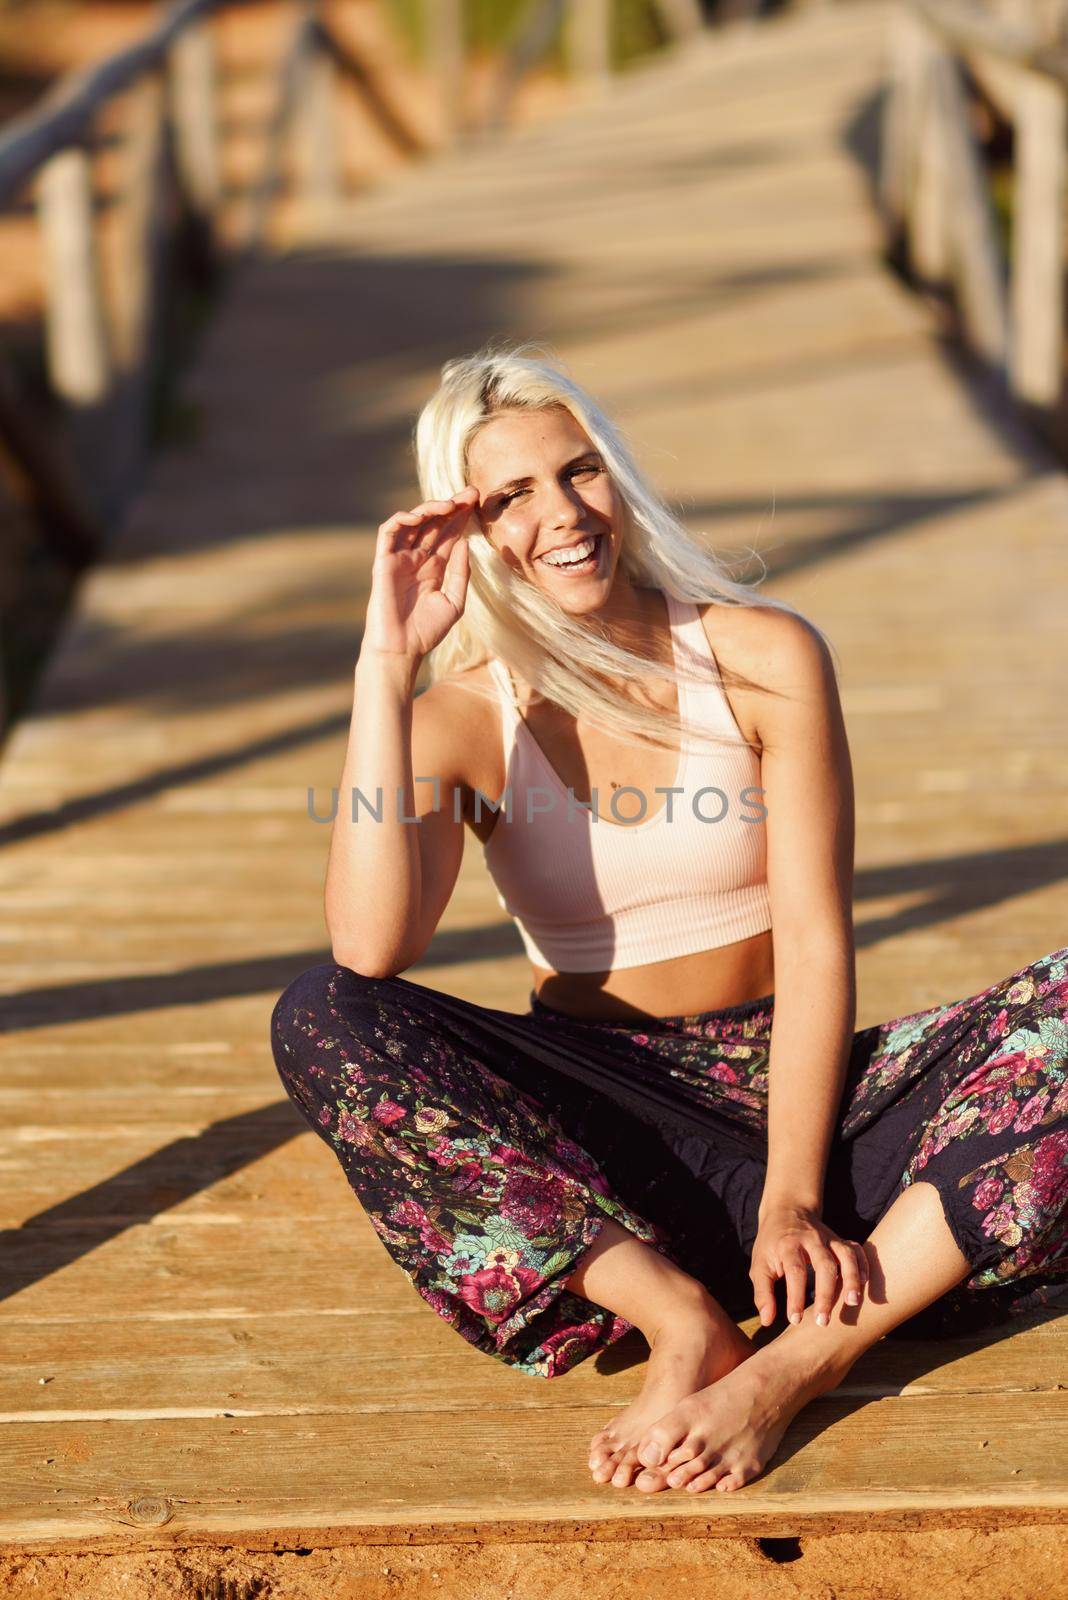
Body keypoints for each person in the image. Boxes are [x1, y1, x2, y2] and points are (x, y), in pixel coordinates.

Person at [270, 341, 1068, 1496]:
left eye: (579, 470)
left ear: (618, 475)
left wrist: (795, 1198)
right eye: (511, 494)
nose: (563, 513)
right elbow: (369, 948)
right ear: (471, 527)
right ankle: (683, 1318)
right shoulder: (461, 718)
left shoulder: (762, 655)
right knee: (322, 1015)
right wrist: (386, 658)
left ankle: (794, 1362)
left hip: (816, 1111)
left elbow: (814, 937)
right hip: (612, 1150)